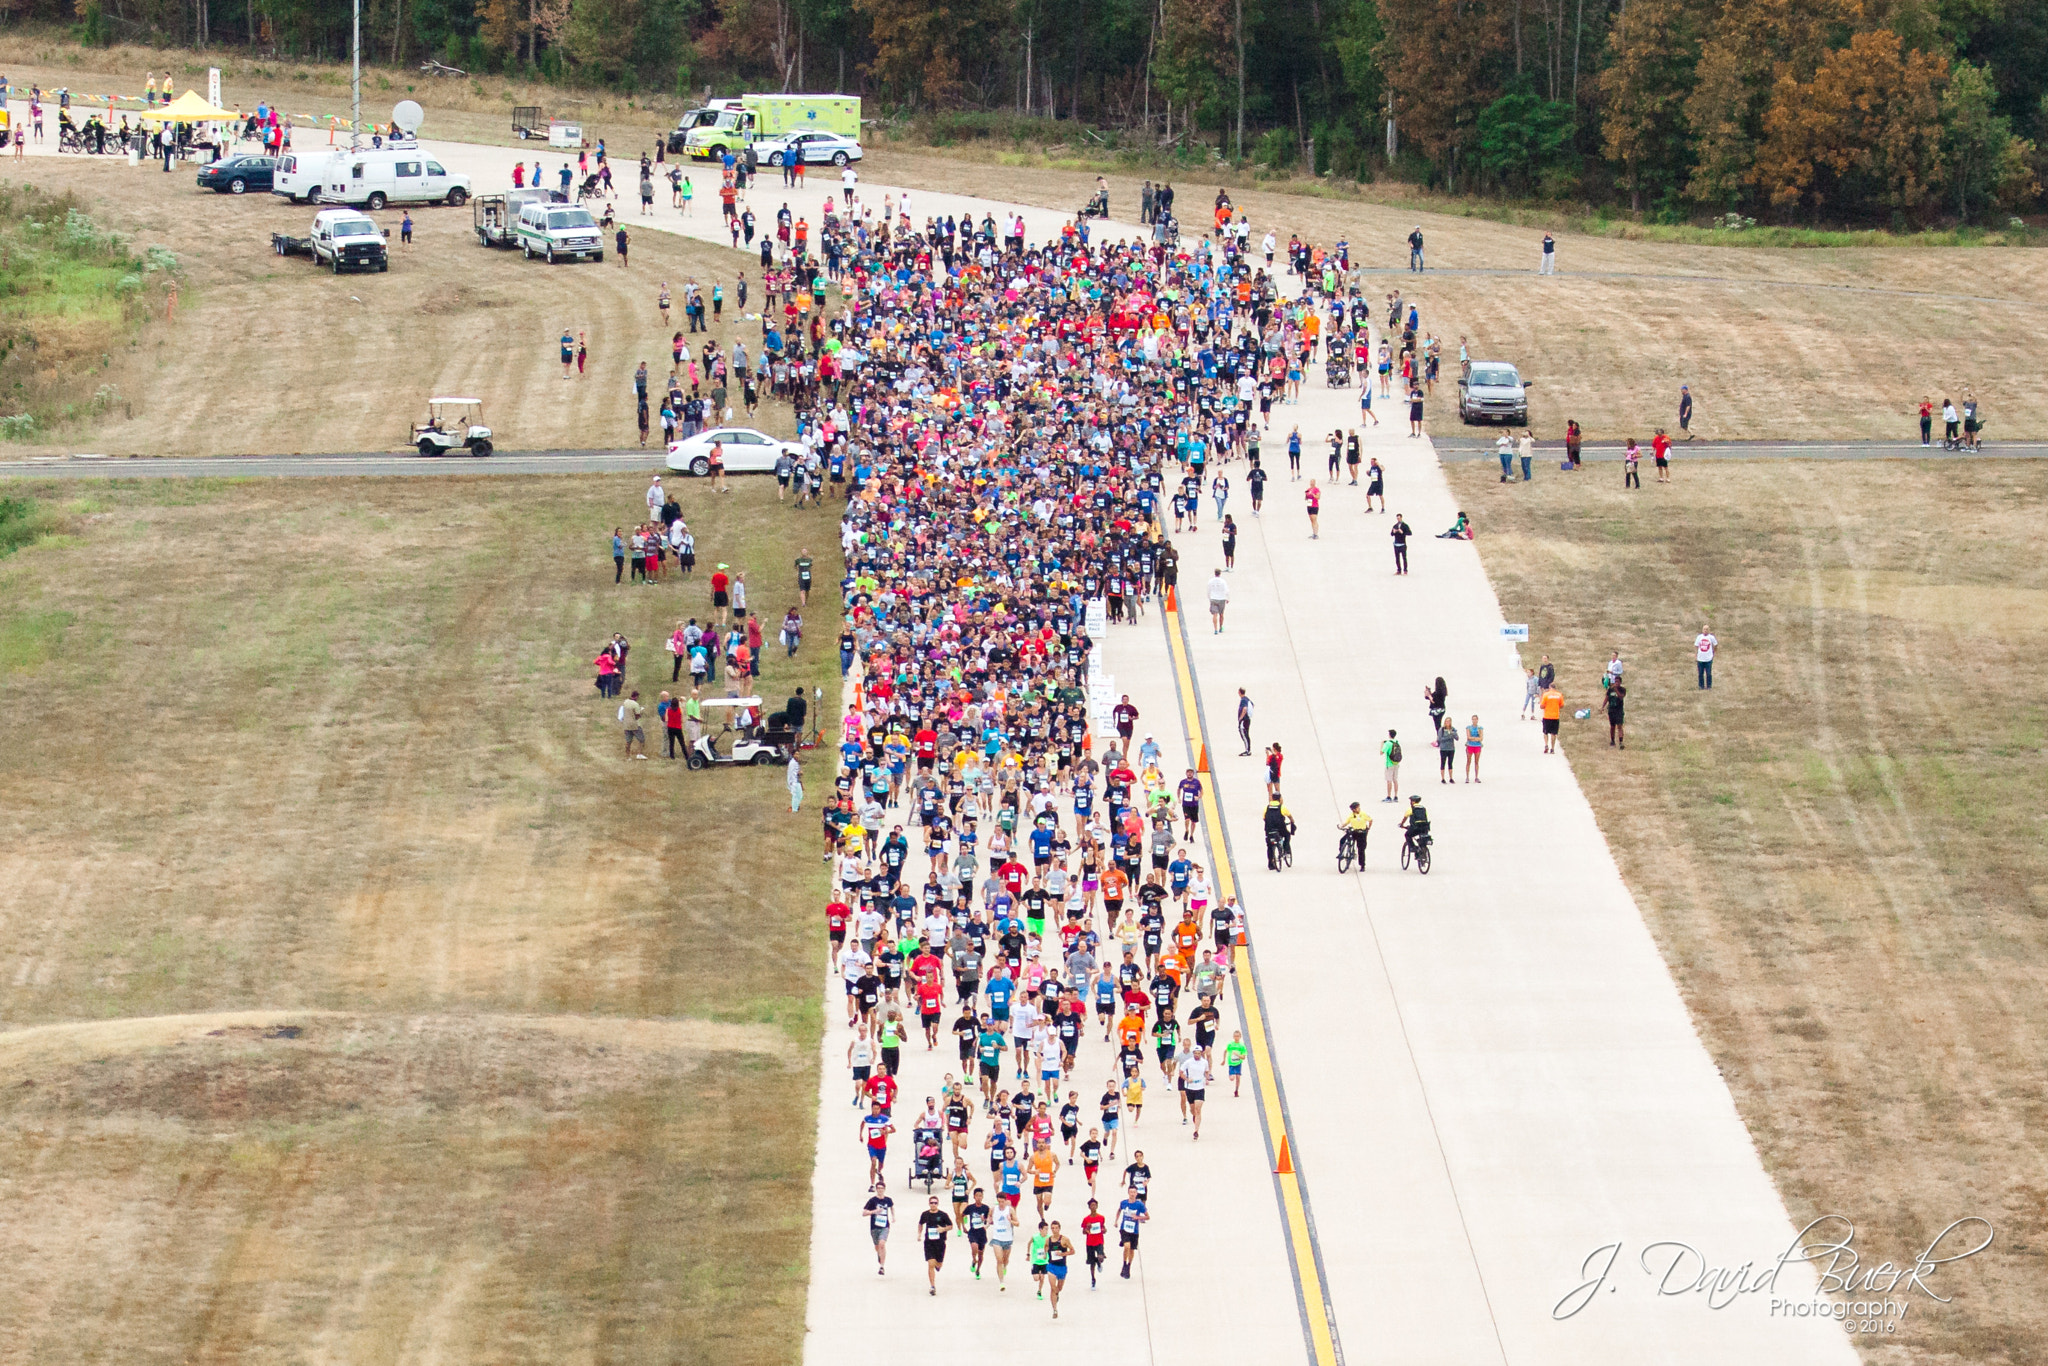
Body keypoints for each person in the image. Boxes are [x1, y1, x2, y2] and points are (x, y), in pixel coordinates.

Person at [919, 1195, 952, 1295]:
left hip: (940, 1243)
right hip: (929, 1243)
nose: (933, 1204)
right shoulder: (925, 1214)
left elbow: (950, 1226)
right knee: (930, 1264)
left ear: (938, 1204)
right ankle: (932, 1286)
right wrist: (919, 1234)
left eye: (935, 1203)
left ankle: (939, 1265)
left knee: (938, 1264)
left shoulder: (943, 1215)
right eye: (931, 1203)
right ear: (929, 1204)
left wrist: (943, 1229)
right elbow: (920, 1224)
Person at [862, 1178, 894, 1274]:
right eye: (878, 1188)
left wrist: (893, 1217)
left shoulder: (888, 1200)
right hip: (874, 1227)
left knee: (882, 1244)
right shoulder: (872, 1201)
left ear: (884, 1189)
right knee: (877, 1246)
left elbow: (892, 1207)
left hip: (885, 1226)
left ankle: (882, 1267)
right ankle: (879, 1255)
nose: (880, 1190)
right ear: (876, 1189)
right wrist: (874, 1211)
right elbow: (864, 1213)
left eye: (882, 1188)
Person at [1043, 1221, 1075, 1317]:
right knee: (1053, 1288)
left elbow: (1073, 1251)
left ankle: (1057, 1294)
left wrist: (1063, 1254)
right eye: (1052, 1228)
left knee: (1059, 1288)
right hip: (1051, 1266)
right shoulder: (1048, 1240)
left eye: (1056, 1228)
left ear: (1059, 1228)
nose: (1054, 1230)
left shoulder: (1064, 1239)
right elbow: (1045, 1247)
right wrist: (1044, 1254)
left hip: (1062, 1267)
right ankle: (1055, 1310)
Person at [1262, 793, 1294, 870]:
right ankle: (1286, 849)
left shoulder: (1267, 807)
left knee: (1269, 845)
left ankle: (1270, 863)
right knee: (1287, 835)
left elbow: (1264, 818)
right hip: (1280, 829)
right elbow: (1289, 815)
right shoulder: (1282, 807)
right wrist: (1292, 821)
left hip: (1269, 829)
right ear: (1280, 799)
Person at [1339, 802, 1371, 868]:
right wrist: (1341, 826)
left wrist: (1368, 828)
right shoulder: (1351, 815)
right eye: (1357, 808)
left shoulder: (1363, 814)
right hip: (1354, 832)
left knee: (1361, 849)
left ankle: (1362, 865)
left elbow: (1370, 820)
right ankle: (1341, 853)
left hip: (1361, 833)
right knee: (1342, 840)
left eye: (1358, 807)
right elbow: (1347, 822)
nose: (1358, 809)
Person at [1399, 795, 1430, 861]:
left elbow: (1405, 818)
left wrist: (1402, 825)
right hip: (1425, 827)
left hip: (1415, 827)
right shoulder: (1424, 808)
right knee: (1422, 839)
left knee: (1407, 835)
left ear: (1413, 801)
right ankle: (1423, 850)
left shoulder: (1411, 809)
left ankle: (1413, 848)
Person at [619, 690, 647, 759]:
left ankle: (627, 756)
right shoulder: (635, 704)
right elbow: (637, 715)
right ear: (636, 697)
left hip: (626, 724)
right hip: (634, 725)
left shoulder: (625, 702)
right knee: (641, 739)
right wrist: (641, 712)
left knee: (628, 741)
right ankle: (639, 754)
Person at [1540, 678, 1565, 753]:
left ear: (1550, 687)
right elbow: (1562, 705)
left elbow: (1542, 706)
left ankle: (1546, 744)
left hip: (1547, 716)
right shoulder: (1559, 695)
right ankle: (1552, 748)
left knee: (1545, 732)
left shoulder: (1546, 695)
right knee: (1554, 733)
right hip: (1555, 716)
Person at [1605, 676, 1627, 747]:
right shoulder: (1610, 690)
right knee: (1612, 726)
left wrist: (1616, 690)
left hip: (1619, 711)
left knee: (1619, 726)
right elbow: (1606, 698)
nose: (1616, 683)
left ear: (1620, 682)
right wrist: (1602, 707)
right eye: (1615, 681)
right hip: (1611, 710)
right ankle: (1612, 741)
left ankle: (1621, 742)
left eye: (1618, 682)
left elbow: (1621, 697)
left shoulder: (1622, 689)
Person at [1206, 568, 1230, 633]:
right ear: (1220, 573)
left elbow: (1208, 590)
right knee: (1221, 614)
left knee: (1215, 614)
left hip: (1213, 598)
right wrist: (1227, 598)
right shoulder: (1223, 581)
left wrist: (1209, 598)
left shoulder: (1211, 581)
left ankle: (1215, 629)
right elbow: (1226, 590)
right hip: (1222, 598)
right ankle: (1221, 627)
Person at [1695, 624, 1717, 689]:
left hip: (1708, 659)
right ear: (1702, 630)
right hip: (1700, 658)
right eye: (1704, 629)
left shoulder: (1711, 637)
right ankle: (1701, 686)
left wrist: (1713, 652)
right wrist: (1696, 655)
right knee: (1700, 673)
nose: (1705, 630)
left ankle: (1709, 686)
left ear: (1709, 630)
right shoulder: (1699, 637)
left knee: (1708, 673)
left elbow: (1715, 645)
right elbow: (1696, 646)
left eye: (1707, 629)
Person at [1382, 729, 1402, 801]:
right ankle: (1396, 796)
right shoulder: (1397, 742)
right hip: (1396, 763)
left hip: (1389, 763)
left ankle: (1389, 796)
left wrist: (1382, 744)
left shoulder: (1388, 743)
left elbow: (1381, 752)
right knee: (1395, 780)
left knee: (1389, 780)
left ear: (1389, 735)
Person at [1464, 715, 1484, 781]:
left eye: (1475, 719)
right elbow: (1468, 737)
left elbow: (1481, 738)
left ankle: (1476, 776)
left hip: (1477, 746)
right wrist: (1476, 738)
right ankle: (1467, 777)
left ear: (1477, 720)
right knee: (1468, 761)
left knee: (1476, 762)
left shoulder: (1480, 728)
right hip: (1470, 746)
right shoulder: (1469, 728)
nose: (1474, 721)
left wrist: (1474, 738)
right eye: (1473, 719)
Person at [1236, 687, 1254, 756]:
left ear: (1239, 692)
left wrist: (1241, 717)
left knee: (1244, 734)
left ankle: (1247, 750)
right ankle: (1248, 749)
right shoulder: (1247, 699)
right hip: (1247, 719)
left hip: (1244, 720)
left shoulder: (1243, 700)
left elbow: (1245, 708)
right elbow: (1252, 705)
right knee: (1246, 734)